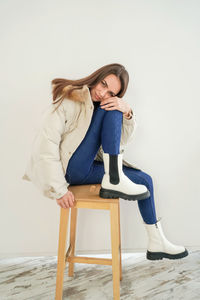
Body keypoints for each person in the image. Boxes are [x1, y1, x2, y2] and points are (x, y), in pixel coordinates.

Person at [22, 63, 188, 260]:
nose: (102, 93)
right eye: (103, 84)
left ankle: (156, 241)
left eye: (110, 92)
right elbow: (45, 144)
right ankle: (114, 178)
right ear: (96, 77)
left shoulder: (105, 104)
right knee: (110, 108)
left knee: (145, 180)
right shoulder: (69, 98)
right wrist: (58, 188)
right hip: (70, 169)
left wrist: (127, 112)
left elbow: (120, 140)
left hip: (89, 168)